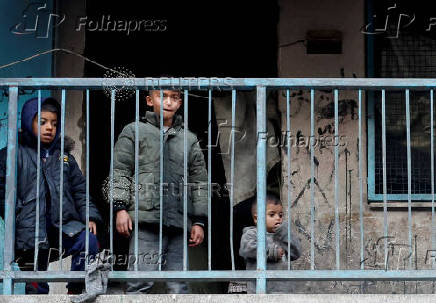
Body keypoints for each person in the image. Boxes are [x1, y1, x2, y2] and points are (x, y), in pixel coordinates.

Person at [108, 89, 208, 293]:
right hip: (146, 220)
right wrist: (120, 208)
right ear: (149, 100)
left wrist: (199, 221)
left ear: (180, 103)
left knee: (178, 286)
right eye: (162, 96)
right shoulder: (133, 130)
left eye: (174, 97)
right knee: (139, 282)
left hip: (179, 221)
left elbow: (200, 182)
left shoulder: (189, 139)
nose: (168, 102)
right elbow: (120, 171)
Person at [0, 96, 102, 294]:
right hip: (30, 231)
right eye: (43, 122)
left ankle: (76, 290)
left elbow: (80, 190)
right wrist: (16, 212)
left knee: (88, 241)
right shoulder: (13, 153)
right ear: (28, 122)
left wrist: (89, 215)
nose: (49, 128)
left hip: (63, 226)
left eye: (54, 124)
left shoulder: (64, 157)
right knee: (36, 285)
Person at [239, 192, 301, 294]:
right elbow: (246, 249)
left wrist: (285, 233)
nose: (278, 218)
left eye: (280, 215)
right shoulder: (251, 233)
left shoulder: (283, 235)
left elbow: (296, 253)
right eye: (272, 214)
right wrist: (272, 252)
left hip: (284, 291)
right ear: (256, 218)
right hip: (260, 291)